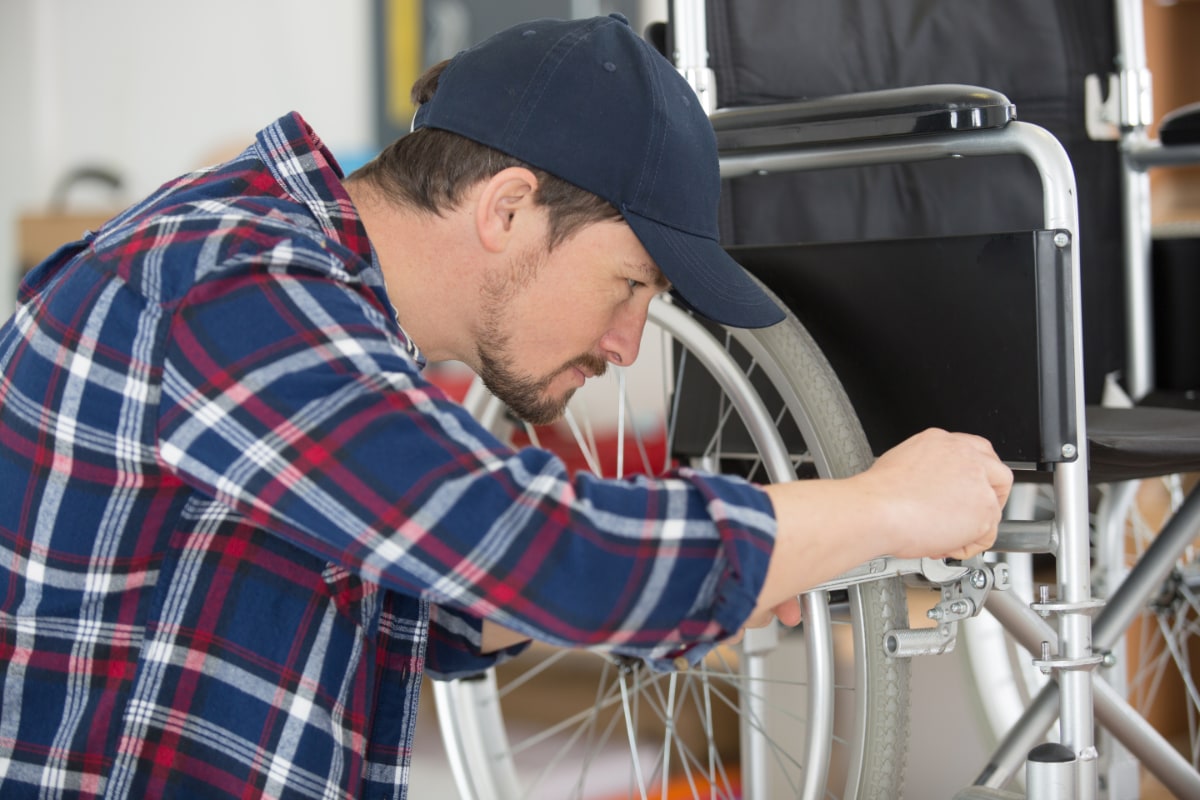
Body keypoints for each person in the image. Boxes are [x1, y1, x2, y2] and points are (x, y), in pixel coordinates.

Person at [0, 13, 1011, 799]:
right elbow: (536, 543)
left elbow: (417, 581)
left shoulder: (300, 292)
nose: (626, 346)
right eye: (631, 285)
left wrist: (727, 572)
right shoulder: (238, 287)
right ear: (507, 208)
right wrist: (885, 506)